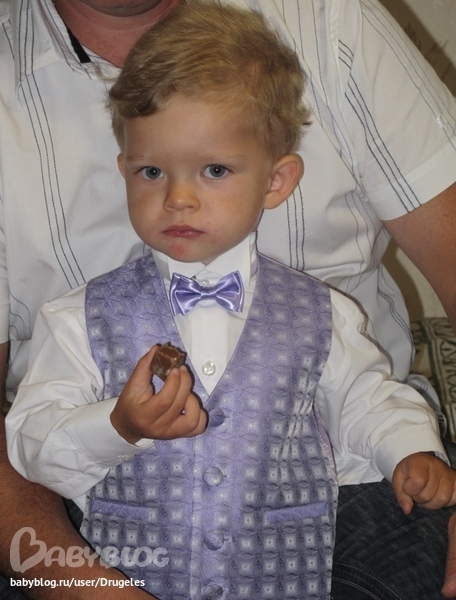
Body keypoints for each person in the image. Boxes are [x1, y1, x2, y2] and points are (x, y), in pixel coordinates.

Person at [0, 0, 454, 598]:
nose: (179, 198)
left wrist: (409, 450)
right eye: (152, 173)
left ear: (276, 181)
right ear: (124, 169)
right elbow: (33, 444)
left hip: (301, 551)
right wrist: (114, 426)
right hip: (131, 554)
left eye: (214, 171)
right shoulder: (77, 321)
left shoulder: (323, 315)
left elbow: (366, 398)